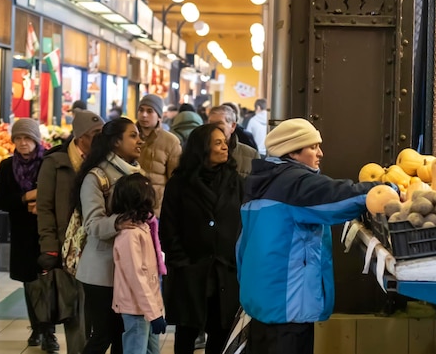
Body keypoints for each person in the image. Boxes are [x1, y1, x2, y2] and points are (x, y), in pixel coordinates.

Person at [236, 118, 380, 354]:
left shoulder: (261, 181)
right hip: (288, 307)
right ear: (292, 151)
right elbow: (339, 198)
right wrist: (385, 190)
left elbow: (242, 246)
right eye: (313, 147)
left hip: (261, 302)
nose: (320, 153)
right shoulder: (295, 183)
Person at [160, 124, 244, 354]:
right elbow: (168, 228)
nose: (224, 146)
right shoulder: (179, 183)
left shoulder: (235, 181)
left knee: (220, 334)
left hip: (225, 274)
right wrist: (182, 261)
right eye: (217, 143)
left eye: (224, 141)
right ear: (202, 148)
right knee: (186, 333)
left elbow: (243, 224)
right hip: (191, 272)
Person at [72, 117, 145, 354]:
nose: (139, 141)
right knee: (103, 335)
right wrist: (121, 222)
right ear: (115, 142)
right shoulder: (96, 177)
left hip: (129, 268)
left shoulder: (137, 172)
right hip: (101, 273)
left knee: (122, 336)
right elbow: (93, 224)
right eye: (132, 136)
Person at [36, 110, 104, 354]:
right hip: (66, 248)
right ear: (81, 136)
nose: (101, 138)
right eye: (96, 134)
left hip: (96, 244)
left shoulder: (102, 161)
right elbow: (44, 207)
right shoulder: (55, 163)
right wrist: (49, 245)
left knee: (95, 308)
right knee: (73, 308)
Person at [0, 118, 60, 352]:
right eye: (18, 138)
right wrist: (27, 197)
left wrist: (39, 202)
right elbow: (2, 201)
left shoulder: (49, 163)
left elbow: (55, 194)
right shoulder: (6, 166)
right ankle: (37, 327)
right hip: (22, 231)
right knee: (29, 282)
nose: (23, 143)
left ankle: (48, 331)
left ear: (36, 140)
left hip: (46, 230)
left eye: (27, 138)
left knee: (47, 281)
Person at [111, 173, 167, 354]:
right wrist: (154, 313)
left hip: (146, 307)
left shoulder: (144, 227)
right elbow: (137, 277)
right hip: (136, 309)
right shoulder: (130, 234)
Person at [136, 94, 182, 216]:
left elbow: (175, 180)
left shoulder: (170, 141)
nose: (144, 115)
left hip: (156, 210)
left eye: (149, 111)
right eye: (141, 110)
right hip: (129, 205)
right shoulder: (128, 136)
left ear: (159, 116)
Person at [208, 105, 259, 178]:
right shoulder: (200, 151)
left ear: (233, 126)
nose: (213, 129)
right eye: (210, 124)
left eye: (218, 124)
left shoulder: (251, 155)